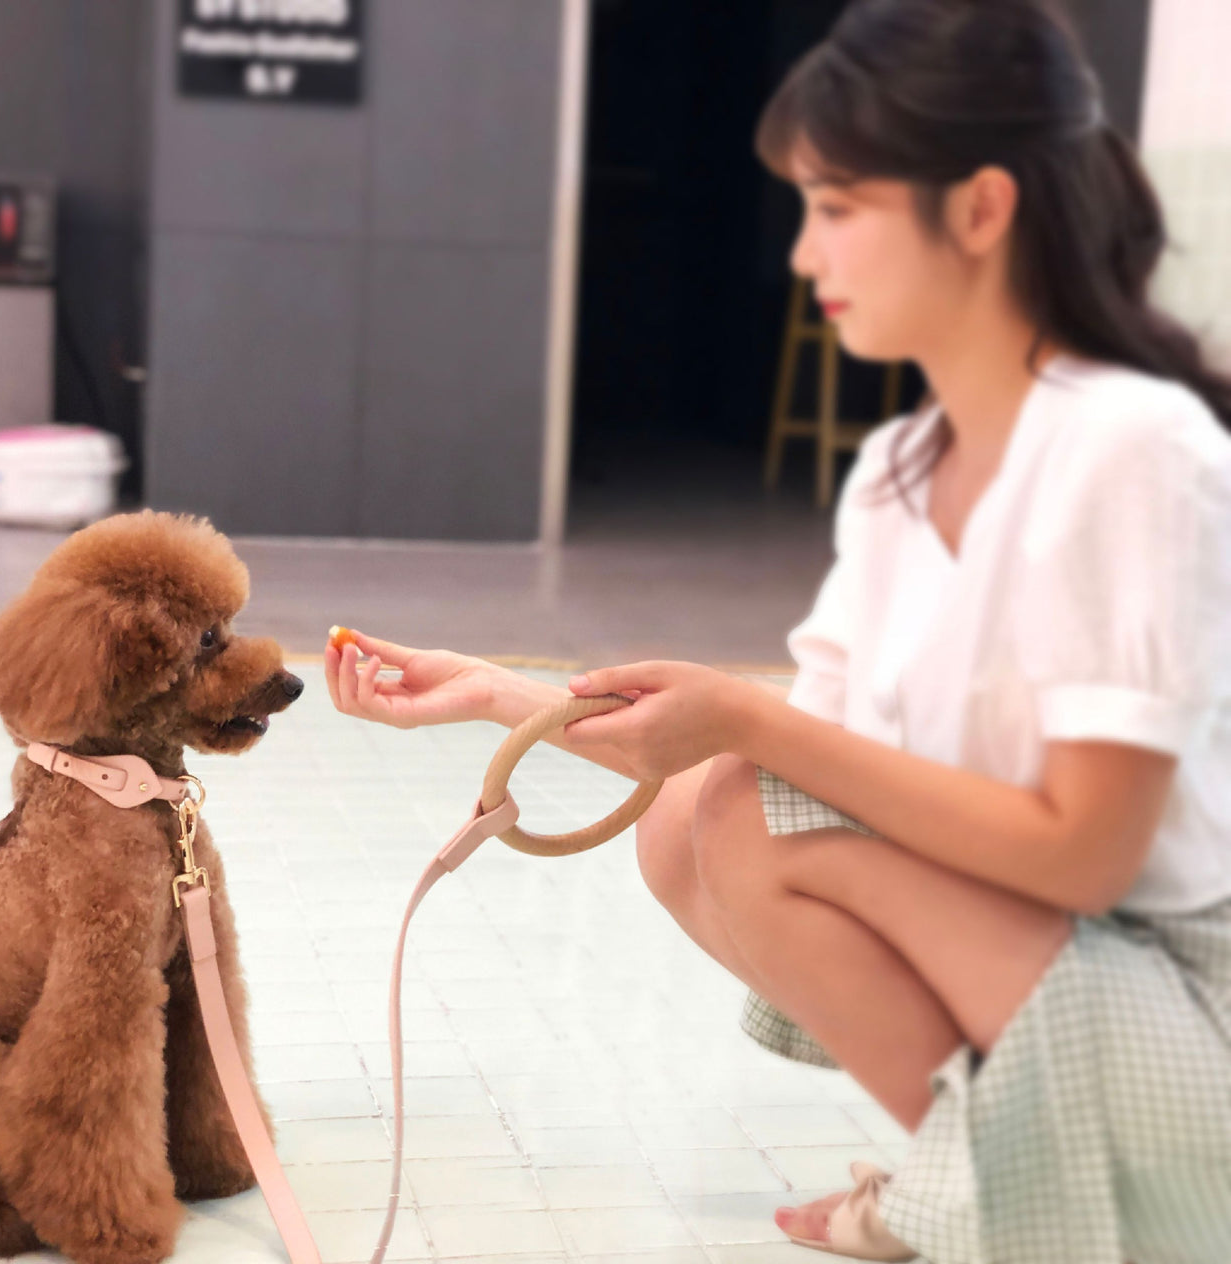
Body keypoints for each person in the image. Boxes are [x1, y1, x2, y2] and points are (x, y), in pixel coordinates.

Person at [324, 1, 1231, 1259]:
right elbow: (800, 760)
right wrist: (494, 696)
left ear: (979, 209)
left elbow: (1080, 855)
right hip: (1068, 984)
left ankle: (988, 1202)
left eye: (837, 206)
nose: (803, 256)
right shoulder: (904, 470)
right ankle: (987, 1186)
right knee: (688, 823)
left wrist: (745, 720)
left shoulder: (1129, 448)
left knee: (748, 799)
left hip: (1194, 1019)